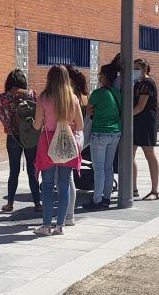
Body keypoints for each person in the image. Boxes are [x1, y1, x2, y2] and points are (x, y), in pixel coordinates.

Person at [32, 65, 84, 236]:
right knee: (64, 185)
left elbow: (38, 125)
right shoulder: (73, 99)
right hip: (67, 143)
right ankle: (60, 225)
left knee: (47, 186)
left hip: (47, 143)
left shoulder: (44, 98)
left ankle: (46, 225)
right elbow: (81, 126)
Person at [0, 69, 42, 213]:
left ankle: (9, 203)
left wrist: (10, 129)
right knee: (32, 170)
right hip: (30, 136)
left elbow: (2, 117)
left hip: (12, 138)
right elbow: (39, 114)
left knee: (13, 171)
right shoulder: (31, 94)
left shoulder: (4, 97)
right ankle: (37, 203)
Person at [83, 64, 121, 210]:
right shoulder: (118, 93)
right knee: (108, 167)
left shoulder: (98, 93)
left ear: (104, 76)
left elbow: (89, 109)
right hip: (115, 132)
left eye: (100, 74)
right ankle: (107, 198)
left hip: (100, 133)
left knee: (98, 168)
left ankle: (97, 200)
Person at [63, 65, 89, 226]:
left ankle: (68, 214)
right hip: (81, 137)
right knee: (69, 175)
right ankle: (68, 214)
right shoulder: (84, 95)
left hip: (71, 136)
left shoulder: (72, 97)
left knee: (66, 177)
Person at [133, 58, 159, 201]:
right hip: (135, 122)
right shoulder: (136, 83)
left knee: (149, 154)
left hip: (146, 121)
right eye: (134, 67)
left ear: (144, 69)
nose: (135, 70)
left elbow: (140, 107)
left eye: (138, 67)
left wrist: (124, 116)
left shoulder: (147, 84)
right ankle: (133, 188)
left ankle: (154, 190)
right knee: (129, 154)